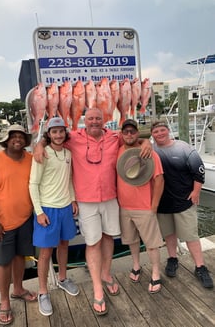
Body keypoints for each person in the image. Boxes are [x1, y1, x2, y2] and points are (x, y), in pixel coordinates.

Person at [34, 108, 152, 315]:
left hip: (110, 197)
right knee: (92, 242)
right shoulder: (73, 138)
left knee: (108, 237)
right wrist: (39, 144)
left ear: (104, 120)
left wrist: (146, 142)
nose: (95, 122)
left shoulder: (114, 137)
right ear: (84, 121)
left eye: (98, 118)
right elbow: (53, 138)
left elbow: (133, 138)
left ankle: (106, 274)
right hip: (86, 201)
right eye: (90, 119)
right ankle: (97, 287)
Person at [0, 124, 37, 326]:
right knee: (3, 263)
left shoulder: (30, 159)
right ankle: (4, 301)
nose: (18, 139)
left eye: (21, 136)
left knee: (21, 256)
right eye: (14, 136)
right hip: (1, 224)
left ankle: (18, 289)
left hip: (25, 219)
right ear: (7, 139)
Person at [151, 120, 213, 289]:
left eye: (162, 130)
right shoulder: (151, 150)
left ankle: (200, 266)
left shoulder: (184, 148)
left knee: (191, 236)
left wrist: (196, 191)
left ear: (168, 131)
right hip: (163, 203)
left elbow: (198, 171)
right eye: (156, 132)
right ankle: (172, 259)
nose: (160, 134)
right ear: (152, 134)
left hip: (184, 201)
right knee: (169, 234)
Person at [29, 117, 79, 317]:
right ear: (48, 134)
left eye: (61, 131)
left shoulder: (68, 153)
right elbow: (33, 184)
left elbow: (68, 180)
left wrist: (73, 199)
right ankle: (43, 291)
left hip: (66, 207)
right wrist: (39, 212)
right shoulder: (42, 154)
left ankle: (63, 278)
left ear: (65, 132)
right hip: (47, 209)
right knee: (45, 253)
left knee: (65, 245)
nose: (58, 135)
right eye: (54, 131)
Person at [117, 119, 164, 293]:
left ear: (138, 133)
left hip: (145, 207)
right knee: (132, 240)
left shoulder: (149, 152)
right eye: (126, 132)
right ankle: (136, 266)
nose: (129, 134)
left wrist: (154, 206)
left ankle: (156, 273)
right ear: (122, 134)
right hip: (124, 207)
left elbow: (159, 179)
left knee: (152, 243)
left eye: (132, 131)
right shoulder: (119, 150)